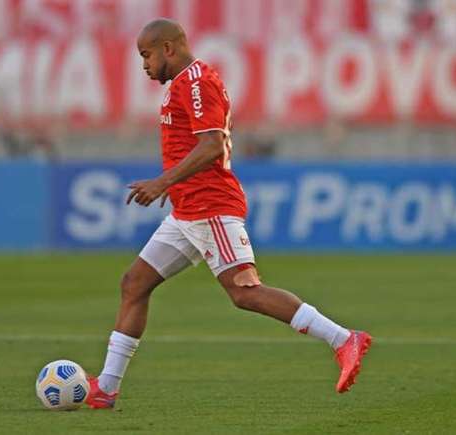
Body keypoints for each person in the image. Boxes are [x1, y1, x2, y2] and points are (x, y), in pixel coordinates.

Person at [84, 18, 372, 409]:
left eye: (146, 55)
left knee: (244, 293)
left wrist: (164, 182)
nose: (144, 65)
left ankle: (343, 339)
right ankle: (107, 388)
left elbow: (211, 146)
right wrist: (176, 189)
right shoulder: (184, 84)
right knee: (134, 284)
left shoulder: (196, 82)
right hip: (188, 211)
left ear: (168, 48)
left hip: (210, 208)